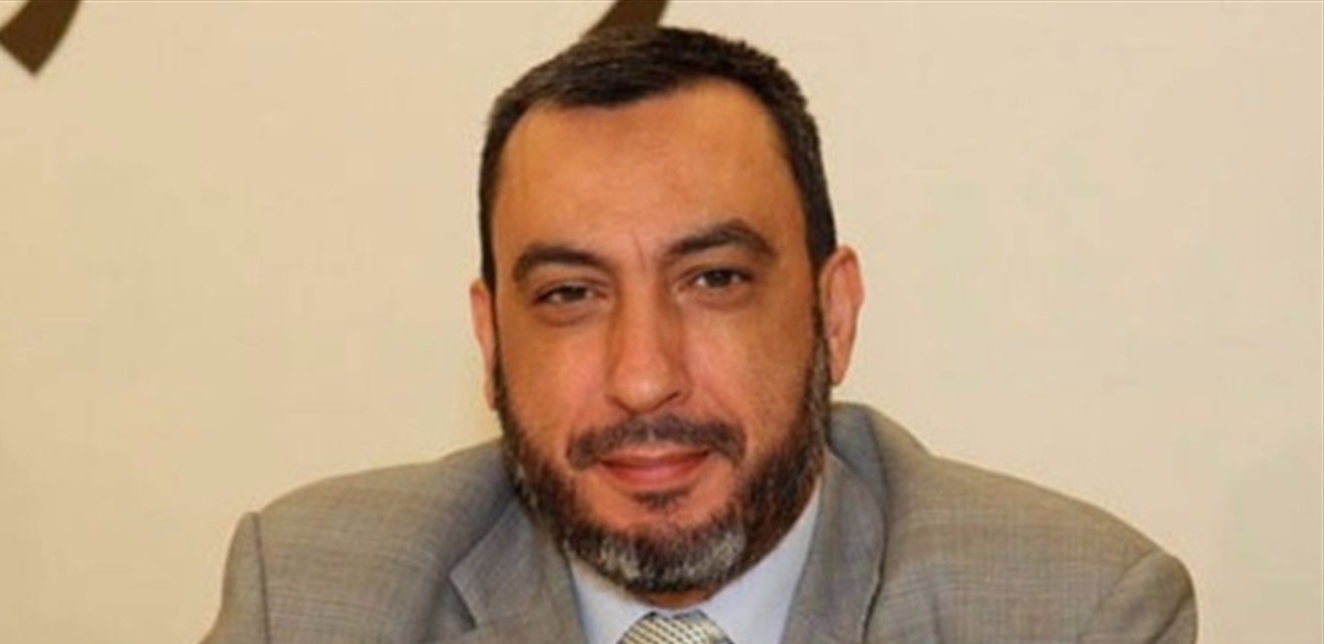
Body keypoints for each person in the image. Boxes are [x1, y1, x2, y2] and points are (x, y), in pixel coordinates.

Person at [202, 26, 1196, 643]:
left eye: (713, 280)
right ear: (492, 343)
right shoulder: (312, 597)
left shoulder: (1073, 613)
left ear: (833, 314)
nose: (642, 377)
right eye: (570, 294)